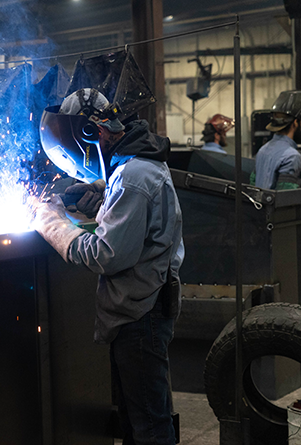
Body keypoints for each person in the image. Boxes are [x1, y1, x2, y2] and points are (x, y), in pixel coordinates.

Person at [35, 88, 184, 445]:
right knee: (138, 421)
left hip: (140, 316)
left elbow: (106, 254)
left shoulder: (133, 178)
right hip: (142, 308)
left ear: (92, 134)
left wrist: (53, 225)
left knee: (148, 426)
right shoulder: (135, 166)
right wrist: (102, 196)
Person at [252, 90, 301, 190]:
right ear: (295, 122)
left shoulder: (262, 150)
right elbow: (286, 199)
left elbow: (252, 185)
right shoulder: (291, 157)